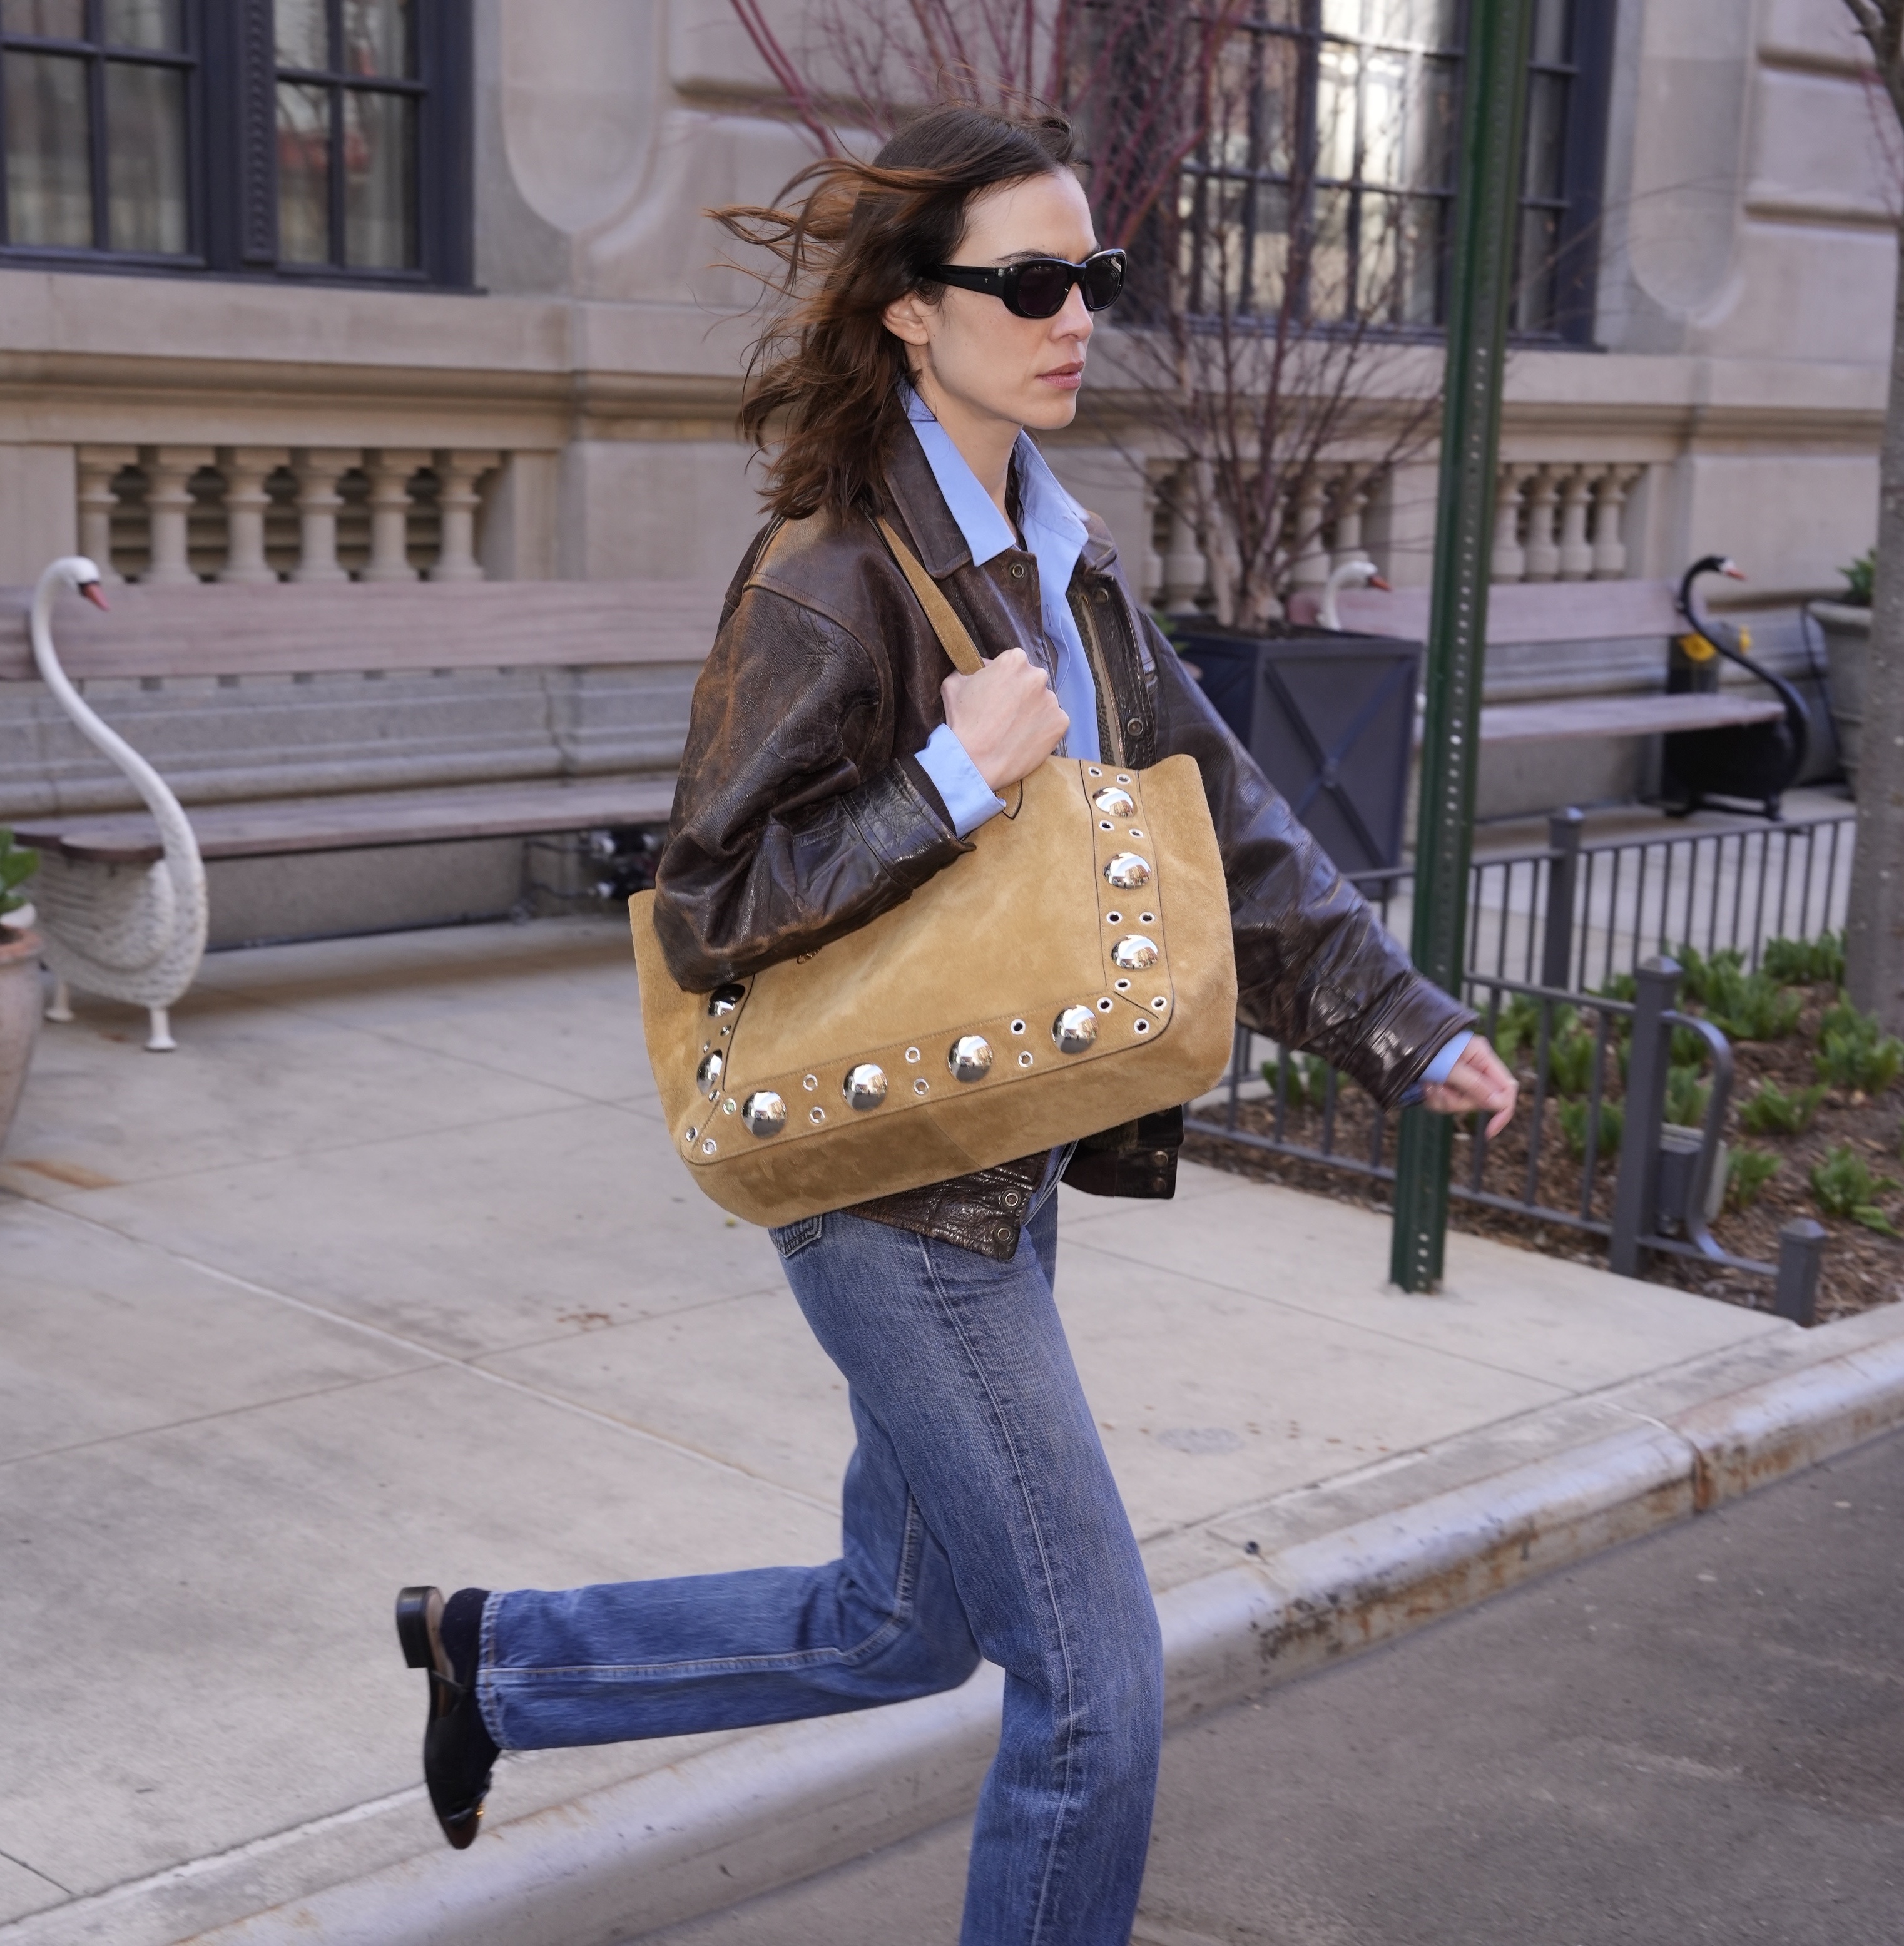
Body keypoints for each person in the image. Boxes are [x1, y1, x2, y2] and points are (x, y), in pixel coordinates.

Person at [394, 103, 1517, 1945]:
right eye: (1030, 281)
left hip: (1000, 1157)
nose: (1075, 313)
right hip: (892, 1205)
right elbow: (707, 913)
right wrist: (942, 776)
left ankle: (496, 1664)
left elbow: (1222, 821)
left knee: (898, 1623)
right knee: (1094, 1686)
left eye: (1096, 277)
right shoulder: (831, 575)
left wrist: (1399, 1025)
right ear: (915, 310)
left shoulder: (1054, 554)